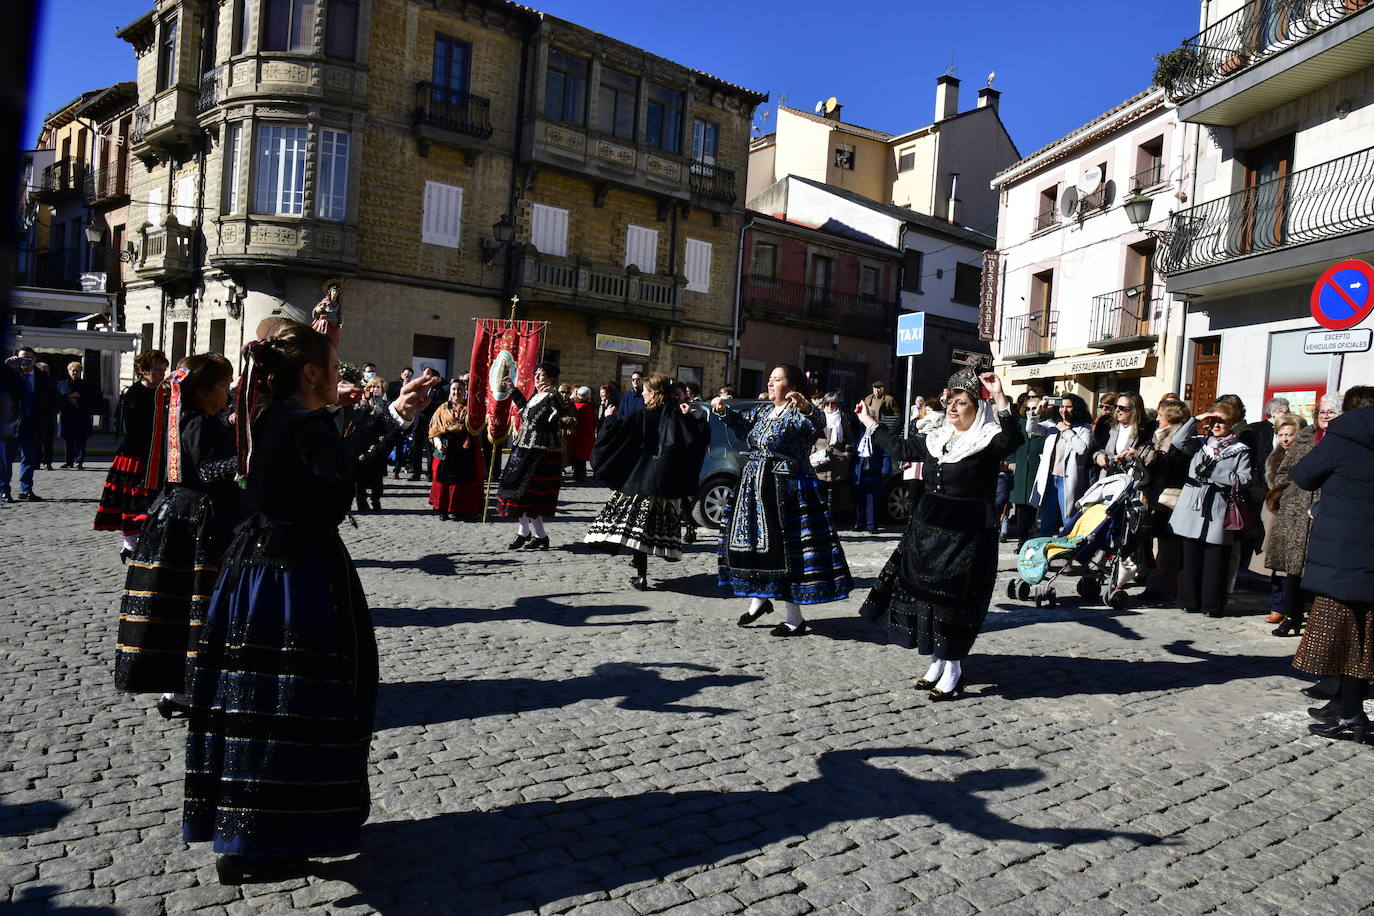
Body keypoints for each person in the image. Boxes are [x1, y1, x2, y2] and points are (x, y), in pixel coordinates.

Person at [183, 322, 437, 885]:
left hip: (256, 566)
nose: (341, 372)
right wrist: (393, 415)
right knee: (293, 702)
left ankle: (249, 835)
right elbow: (341, 469)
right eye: (335, 362)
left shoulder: (269, 417)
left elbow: (320, 465)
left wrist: (385, 416)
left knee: (256, 701)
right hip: (293, 574)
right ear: (311, 372)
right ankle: (264, 842)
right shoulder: (298, 422)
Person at [857, 364, 1021, 700]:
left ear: (977, 408)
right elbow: (901, 449)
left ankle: (954, 668)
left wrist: (1000, 396)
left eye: (962, 403)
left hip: (966, 534)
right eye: (951, 402)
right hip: (928, 531)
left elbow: (1013, 439)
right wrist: (870, 423)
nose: (953, 408)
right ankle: (936, 661)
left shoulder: (987, 439)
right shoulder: (937, 438)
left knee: (953, 603)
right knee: (926, 598)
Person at [114, 353, 239, 718]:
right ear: (203, 391)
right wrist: (247, 458)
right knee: (193, 606)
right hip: (196, 523)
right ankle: (186, 688)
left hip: (181, 518)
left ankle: (183, 687)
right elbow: (207, 470)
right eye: (223, 385)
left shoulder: (187, 417)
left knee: (182, 608)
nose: (227, 391)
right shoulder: (198, 422)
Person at [716, 365, 852, 636]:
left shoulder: (799, 413)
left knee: (789, 551)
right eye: (770, 379)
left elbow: (817, 424)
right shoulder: (764, 411)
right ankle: (759, 599)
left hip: (787, 490)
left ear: (792, 387)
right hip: (755, 486)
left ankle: (794, 618)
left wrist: (806, 407)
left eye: (776, 380)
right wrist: (723, 411)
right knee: (754, 547)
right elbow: (742, 423)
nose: (770, 383)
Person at [1290, 386, 1374, 744]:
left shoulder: (1341, 438)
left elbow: (1302, 475)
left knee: (1344, 637)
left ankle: (1351, 713)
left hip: (1342, 556)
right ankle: (1342, 703)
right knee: (1365, 635)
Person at [585, 374, 710, 589]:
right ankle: (639, 567)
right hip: (663, 484)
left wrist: (609, 419)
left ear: (653, 393)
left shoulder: (642, 415)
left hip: (640, 481)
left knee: (637, 528)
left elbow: (617, 437)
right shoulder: (676, 415)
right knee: (643, 529)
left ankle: (641, 575)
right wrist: (689, 417)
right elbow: (698, 438)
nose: (642, 394)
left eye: (644, 391)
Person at [1169, 401, 1252, 617]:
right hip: (1193, 505)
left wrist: (1215, 474)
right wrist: (1196, 419)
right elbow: (1177, 441)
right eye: (1213, 420)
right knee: (1190, 554)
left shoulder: (1240, 450)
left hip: (1218, 505)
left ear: (1231, 423)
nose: (1216, 425)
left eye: (1221, 421)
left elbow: (1245, 478)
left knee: (1215, 557)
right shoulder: (1200, 443)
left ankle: (1212, 604)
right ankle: (1189, 600)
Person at [1262, 399, 1338, 636]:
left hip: (1325, 508)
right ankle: (1291, 616)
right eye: (1322, 411)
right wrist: (1285, 493)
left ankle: (1317, 618)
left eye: (1331, 412)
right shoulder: (1306, 436)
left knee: (1318, 566)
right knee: (1292, 568)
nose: (1325, 415)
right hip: (1294, 510)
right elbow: (1284, 470)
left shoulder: (1342, 440)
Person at [95, 350, 169, 559]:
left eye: (163, 370)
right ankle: (130, 543)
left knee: (153, 500)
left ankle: (145, 541)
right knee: (135, 501)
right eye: (157, 370)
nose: (161, 374)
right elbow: (137, 430)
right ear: (143, 371)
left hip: (156, 454)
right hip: (138, 456)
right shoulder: (136, 395)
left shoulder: (160, 392)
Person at [497, 362, 573, 550]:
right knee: (516, 493)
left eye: (542, 375)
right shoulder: (535, 396)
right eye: (536, 375)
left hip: (541, 452)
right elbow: (525, 410)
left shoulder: (552, 397)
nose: (538, 379)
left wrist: (555, 394)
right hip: (522, 449)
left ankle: (533, 535)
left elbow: (563, 413)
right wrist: (513, 390)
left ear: (551, 379)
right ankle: (531, 533)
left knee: (529, 495)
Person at [1142, 398, 1192, 600]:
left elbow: (1174, 466)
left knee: (1168, 545)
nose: (1157, 419)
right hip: (1158, 496)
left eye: (1161, 415)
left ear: (1170, 417)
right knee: (1160, 543)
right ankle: (1160, 585)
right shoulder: (1159, 435)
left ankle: (1162, 587)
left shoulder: (1178, 438)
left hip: (1170, 497)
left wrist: (1152, 459)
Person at [1029, 394, 1093, 536]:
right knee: (1046, 519)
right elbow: (1031, 428)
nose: (1064, 410)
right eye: (1062, 406)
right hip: (1050, 479)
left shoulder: (1084, 428)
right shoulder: (1052, 425)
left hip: (1067, 480)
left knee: (1069, 518)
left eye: (1069, 407)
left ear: (1076, 408)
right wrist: (1037, 411)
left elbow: (1082, 449)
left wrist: (1065, 430)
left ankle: (1068, 545)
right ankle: (1045, 545)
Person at [427, 378, 485, 520]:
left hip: (465, 447)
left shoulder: (471, 408)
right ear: (450, 391)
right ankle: (442, 509)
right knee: (441, 478)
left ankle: (458, 509)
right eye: (454, 389)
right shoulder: (442, 408)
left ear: (464, 391)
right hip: (445, 445)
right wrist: (438, 444)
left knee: (462, 480)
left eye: (459, 389)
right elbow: (434, 428)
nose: (456, 392)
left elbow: (478, 425)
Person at [0, 348, 44, 502]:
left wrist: (45, 417)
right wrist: (6, 366)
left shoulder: (42, 377)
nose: (25, 362)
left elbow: (52, 398)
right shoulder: (9, 374)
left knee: (29, 458)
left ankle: (26, 489)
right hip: (10, 423)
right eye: (22, 358)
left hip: (32, 423)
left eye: (29, 358)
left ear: (35, 360)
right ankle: (4, 489)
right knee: (6, 459)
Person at [1006, 392, 1045, 549]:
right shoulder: (1020, 424)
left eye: (1034, 408)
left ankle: (1030, 537)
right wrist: (1011, 461)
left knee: (1033, 506)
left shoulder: (1045, 426)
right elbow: (1011, 444)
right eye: (1028, 409)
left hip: (1037, 469)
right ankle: (1022, 539)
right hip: (1021, 469)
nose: (1031, 412)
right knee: (1021, 506)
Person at [850, 401, 891, 534]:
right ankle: (859, 523)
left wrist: (885, 469)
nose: (869, 419)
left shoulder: (879, 431)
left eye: (872, 417)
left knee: (872, 498)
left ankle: (871, 525)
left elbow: (886, 451)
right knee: (858, 498)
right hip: (858, 469)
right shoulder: (858, 429)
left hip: (873, 469)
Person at [812, 393, 856, 516]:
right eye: (827, 403)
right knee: (819, 495)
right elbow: (810, 437)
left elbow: (850, 439)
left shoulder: (842, 419)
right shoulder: (818, 418)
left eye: (833, 403)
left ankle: (831, 521)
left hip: (837, 462)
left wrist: (847, 453)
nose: (830, 406)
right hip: (820, 460)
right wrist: (813, 451)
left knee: (833, 496)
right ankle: (821, 521)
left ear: (837, 405)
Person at [1093, 392, 1156, 473]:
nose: (1117, 410)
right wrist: (1098, 456)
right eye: (1116, 406)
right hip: (1107, 475)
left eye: (1122, 408)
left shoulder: (1147, 431)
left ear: (1134, 410)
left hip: (1132, 476)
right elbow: (1096, 448)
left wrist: (1136, 454)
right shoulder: (1106, 425)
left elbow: (1152, 457)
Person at [353, 376, 390, 511]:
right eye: (372, 387)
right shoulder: (361, 402)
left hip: (378, 443)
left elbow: (388, 423)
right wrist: (363, 406)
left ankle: (376, 499)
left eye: (377, 387)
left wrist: (379, 410)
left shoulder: (386, 404)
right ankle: (361, 500)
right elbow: (355, 419)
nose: (374, 389)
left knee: (377, 476)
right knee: (360, 475)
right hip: (362, 442)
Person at [57, 360, 100, 469]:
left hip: (81, 415)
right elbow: (57, 398)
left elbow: (91, 399)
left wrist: (79, 400)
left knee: (81, 439)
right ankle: (68, 461)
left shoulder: (85, 384)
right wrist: (68, 399)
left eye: (77, 371)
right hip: (67, 415)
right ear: (68, 371)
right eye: (73, 371)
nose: (75, 373)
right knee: (68, 439)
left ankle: (79, 461)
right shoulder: (62, 384)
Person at [31, 362, 59, 471]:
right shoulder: (35, 382)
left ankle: (46, 462)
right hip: (39, 417)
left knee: (46, 442)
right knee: (39, 442)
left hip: (47, 417)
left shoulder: (50, 383)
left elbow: (55, 400)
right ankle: (39, 462)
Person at [568, 386, 596, 483]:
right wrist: (592, 433)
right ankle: (580, 475)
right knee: (581, 458)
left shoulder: (575, 404)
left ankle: (578, 474)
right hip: (584, 435)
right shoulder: (586, 407)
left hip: (576, 434)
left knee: (577, 456)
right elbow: (589, 423)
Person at [311, 280, 342, 347]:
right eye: (334, 291)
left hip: (333, 325)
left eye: (337, 292)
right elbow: (315, 312)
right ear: (330, 292)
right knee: (321, 340)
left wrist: (340, 322)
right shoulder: (325, 301)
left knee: (331, 343)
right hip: (324, 324)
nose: (335, 293)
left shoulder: (338, 304)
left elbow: (339, 314)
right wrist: (320, 309)